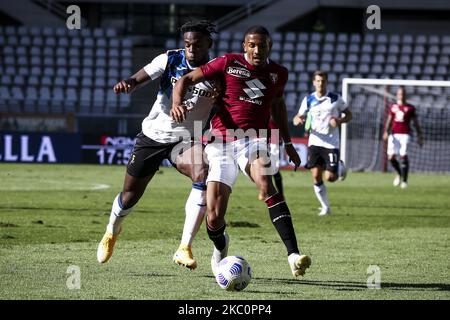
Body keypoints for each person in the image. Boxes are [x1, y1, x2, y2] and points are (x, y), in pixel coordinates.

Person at [171, 26, 311, 278]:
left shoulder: (279, 73)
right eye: (253, 45)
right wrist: (177, 103)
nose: (257, 50)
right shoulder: (227, 62)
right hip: (220, 143)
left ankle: (293, 255)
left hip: (253, 141)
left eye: (263, 45)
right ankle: (220, 248)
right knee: (213, 218)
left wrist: (288, 142)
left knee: (267, 185)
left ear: (270, 46)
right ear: (245, 45)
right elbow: (185, 79)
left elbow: (278, 106)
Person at [97, 20, 220, 270]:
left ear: (209, 44)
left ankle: (184, 247)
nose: (191, 49)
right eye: (187, 44)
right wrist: (128, 83)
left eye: (196, 45)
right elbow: (140, 77)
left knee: (203, 173)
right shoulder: (169, 59)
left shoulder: (218, 72)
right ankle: (112, 230)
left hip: (187, 139)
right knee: (130, 196)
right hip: (153, 136)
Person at [293, 70, 352, 216]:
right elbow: (297, 117)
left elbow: (349, 115)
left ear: (327, 82)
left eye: (323, 81)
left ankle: (339, 165)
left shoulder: (335, 98)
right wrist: (298, 120)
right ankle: (325, 207)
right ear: (314, 82)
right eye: (318, 81)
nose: (320, 83)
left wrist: (339, 120)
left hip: (331, 143)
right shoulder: (308, 99)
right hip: (315, 142)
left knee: (330, 178)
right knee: (315, 175)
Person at [382, 86, 424, 188]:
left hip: (405, 134)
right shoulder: (393, 107)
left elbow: (416, 123)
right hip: (394, 134)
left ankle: (405, 181)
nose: (401, 96)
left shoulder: (410, 108)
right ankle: (400, 173)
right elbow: (389, 120)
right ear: (397, 95)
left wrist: (420, 135)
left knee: (403, 156)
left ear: (405, 95)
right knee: (391, 157)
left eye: (403, 94)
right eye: (400, 94)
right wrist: (386, 132)